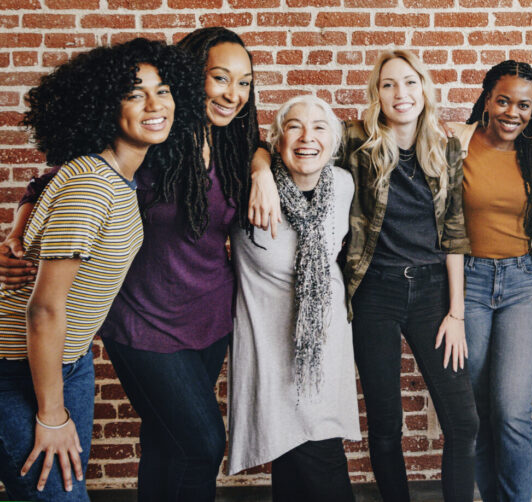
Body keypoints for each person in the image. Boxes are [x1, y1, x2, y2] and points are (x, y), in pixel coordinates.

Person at [1, 27, 264, 501]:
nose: (233, 93)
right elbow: (55, 184)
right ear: (190, 79)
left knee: (169, 442)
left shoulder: (234, 147)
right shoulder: (144, 147)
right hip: (142, 320)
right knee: (201, 444)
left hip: (206, 318)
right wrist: (19, 231)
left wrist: (261, 167)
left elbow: (275, 144)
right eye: (220, 78)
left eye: (244, 82)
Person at [341, 50, 476, 502]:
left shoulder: (447, 148)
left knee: (463, 421)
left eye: (410, 82)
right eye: (388, 84)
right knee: (384, 421)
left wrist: (455, 314)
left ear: (424, 90)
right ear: (376, 94)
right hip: (374, 291)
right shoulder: (353, 144)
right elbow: (286, 139)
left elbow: (455, 231)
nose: (401, 93)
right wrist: (261, 169)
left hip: (433, 292)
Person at [226, 95, 358, 501]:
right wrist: (260, 169)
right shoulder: (246, 188)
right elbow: (241, 146)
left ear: (333, 143)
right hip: (269, 345)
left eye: (320, 127)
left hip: (326, 346)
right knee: (291, 454)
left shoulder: (342, 185)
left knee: (318, 450)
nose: (307, 137)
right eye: (295, 127)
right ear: (278, 139)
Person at [452, 60, 532, 502]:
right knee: (475, 414)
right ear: (487, 100)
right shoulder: (453, 143)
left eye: (524, 105)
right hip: (469, 283)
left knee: (512, 411)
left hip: (520, 284)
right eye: (504, 100)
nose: (513, 112)